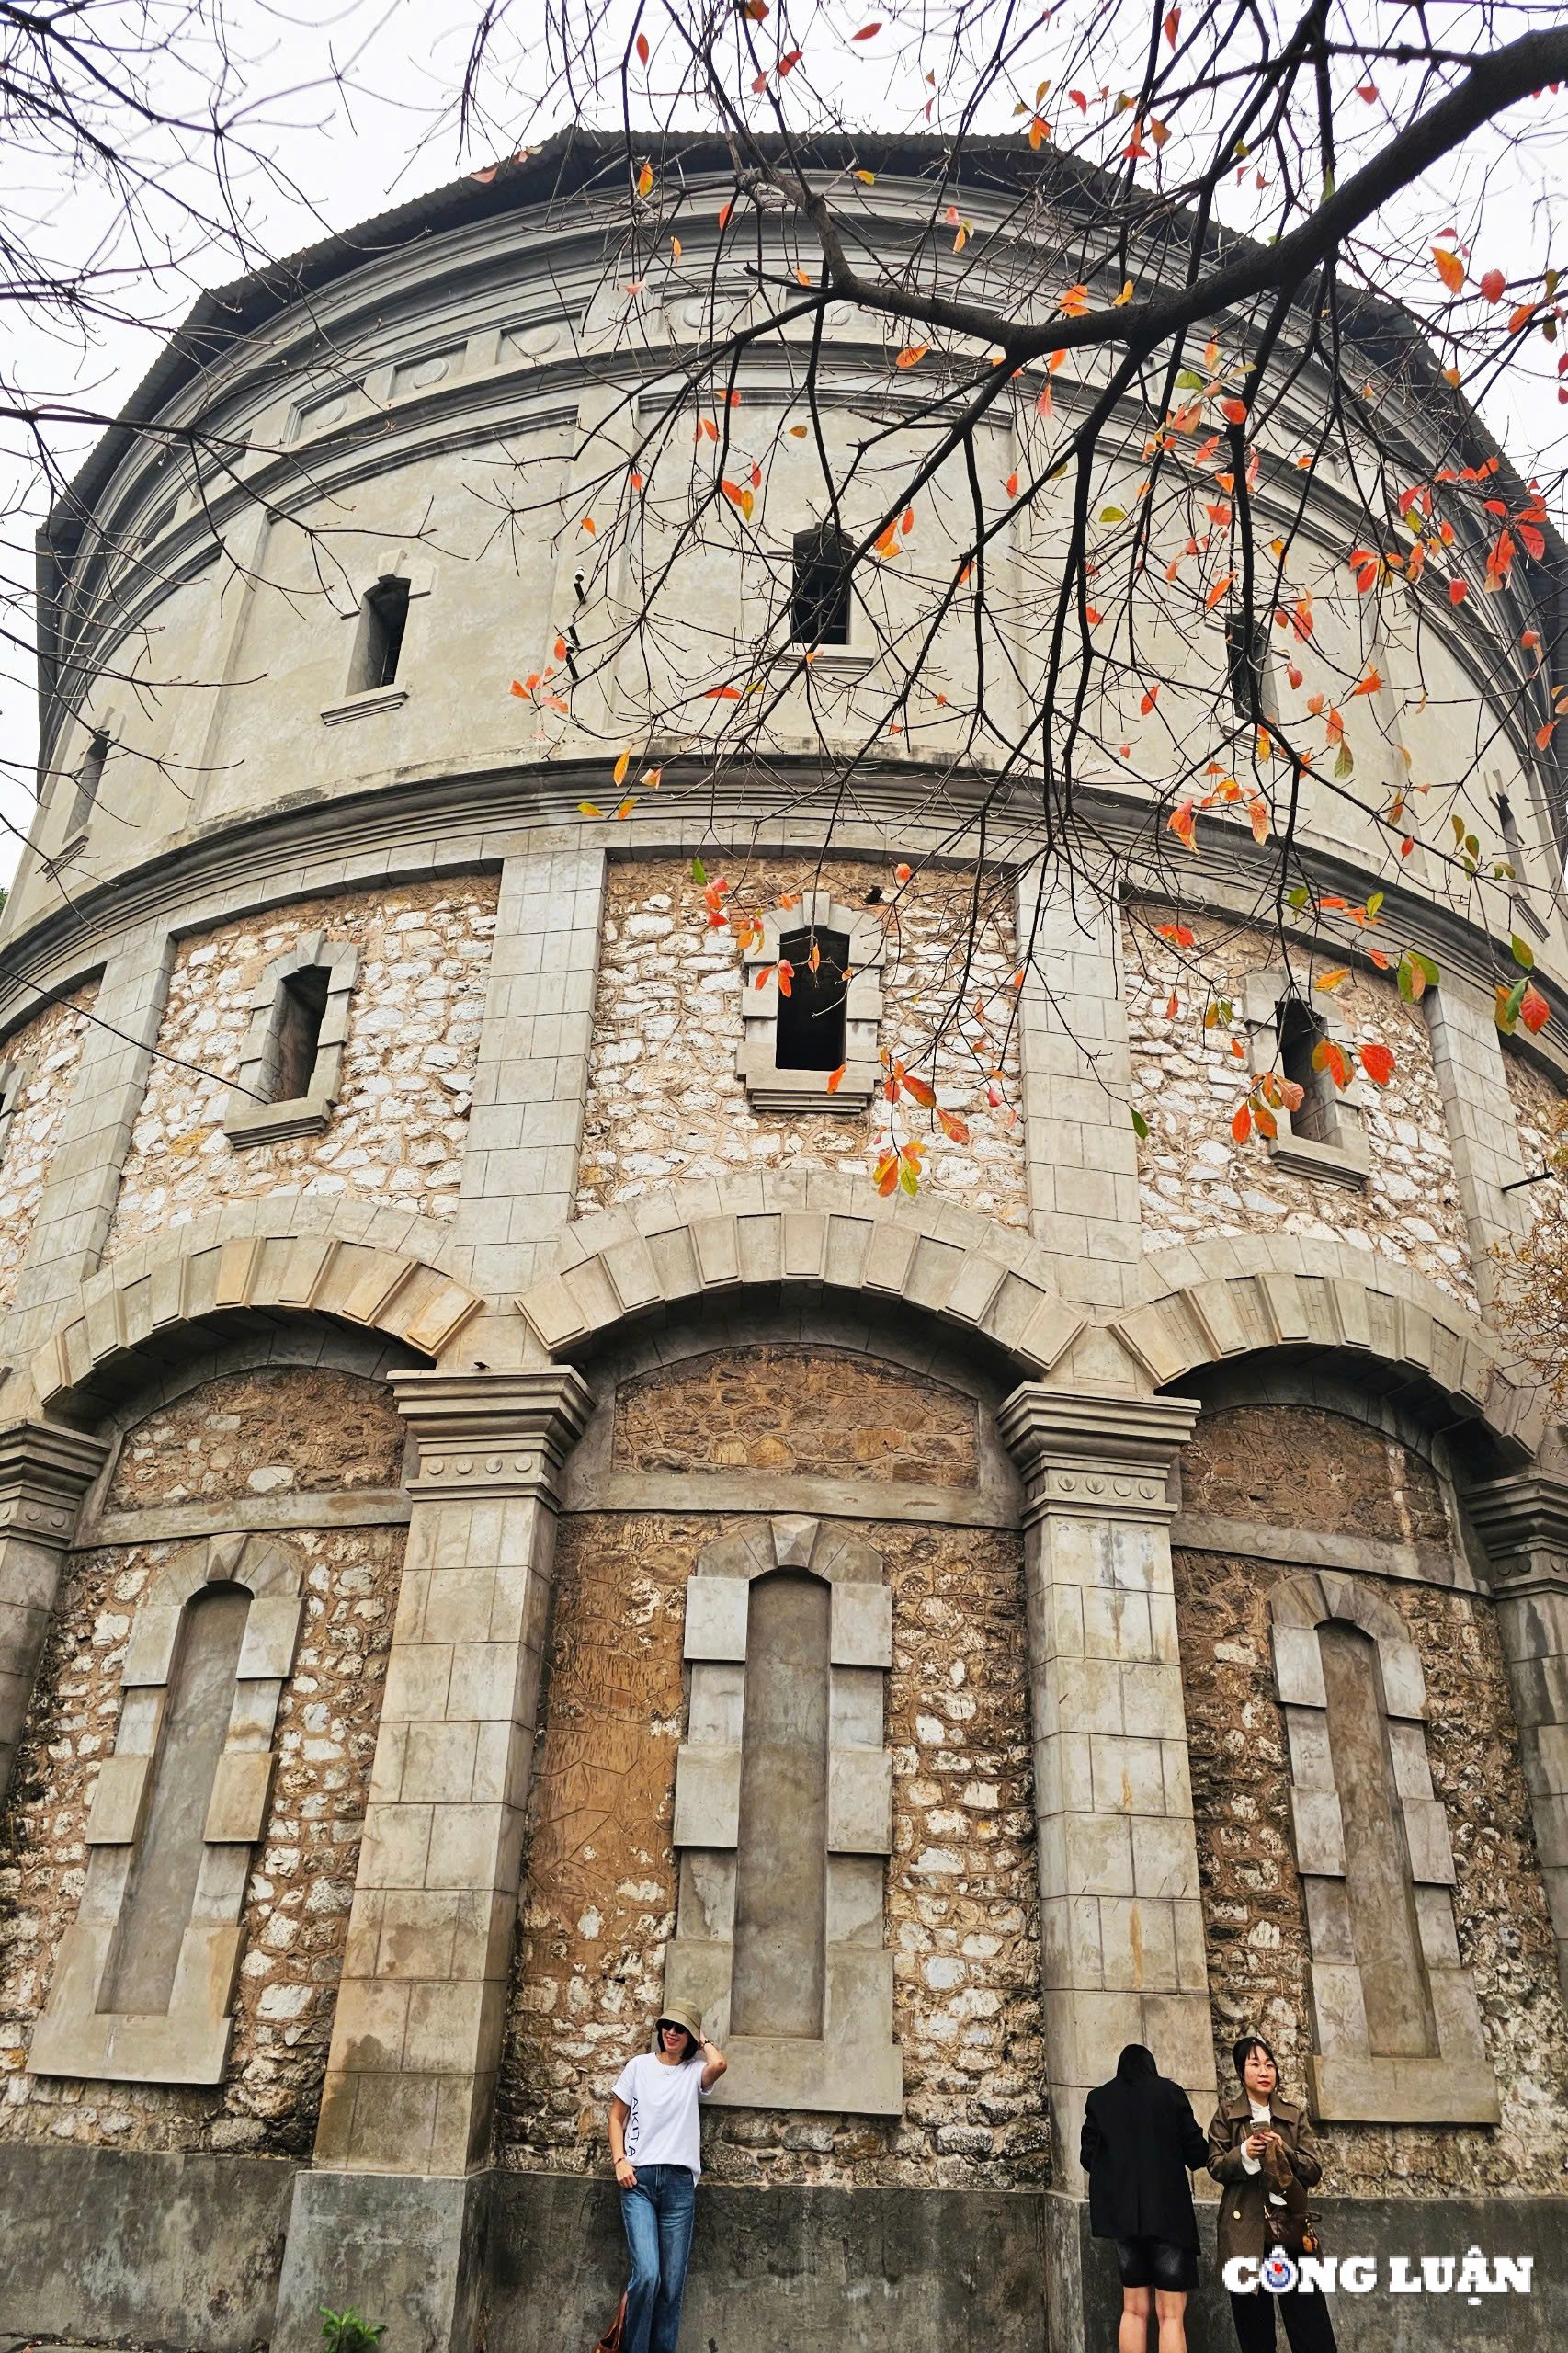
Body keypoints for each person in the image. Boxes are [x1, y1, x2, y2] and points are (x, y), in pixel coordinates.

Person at [608, 2002, 727, 2353]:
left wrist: (700, 2033)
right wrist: (619, 2161)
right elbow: (616, 2118)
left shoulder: (694, 2072)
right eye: (667, 2026)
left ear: (690, 2036)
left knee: (671, 2287)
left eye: (680, 2028)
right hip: (638, 2182)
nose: (672, 2033)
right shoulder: (639, 2067)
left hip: (678, 2189)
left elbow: (719, 2064)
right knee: (647, 2275)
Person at [1207, 2033, 1338, 2353]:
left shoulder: (1293, 2116)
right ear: (1241, 2072)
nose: (1264, 2072)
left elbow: (1313, 2170)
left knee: (1312, 2329)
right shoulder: (1227, 2115)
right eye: (1255, 2065)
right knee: (1255, 2334)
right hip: (1245, 2234)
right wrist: (1245, 2152)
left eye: (1269, 2065)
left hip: (1292, 2230)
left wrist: (1285, 2152)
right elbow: (1215, 2166)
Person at [1081, 2042, 1210, 2353]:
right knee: (1171, 2316)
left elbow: (1088, 2158)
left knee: (1134, 2309)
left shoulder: (1099, 2099)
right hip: (1169, 2217)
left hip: (1123, 2220)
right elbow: (1197, 2154)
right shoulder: (1170, 2094)